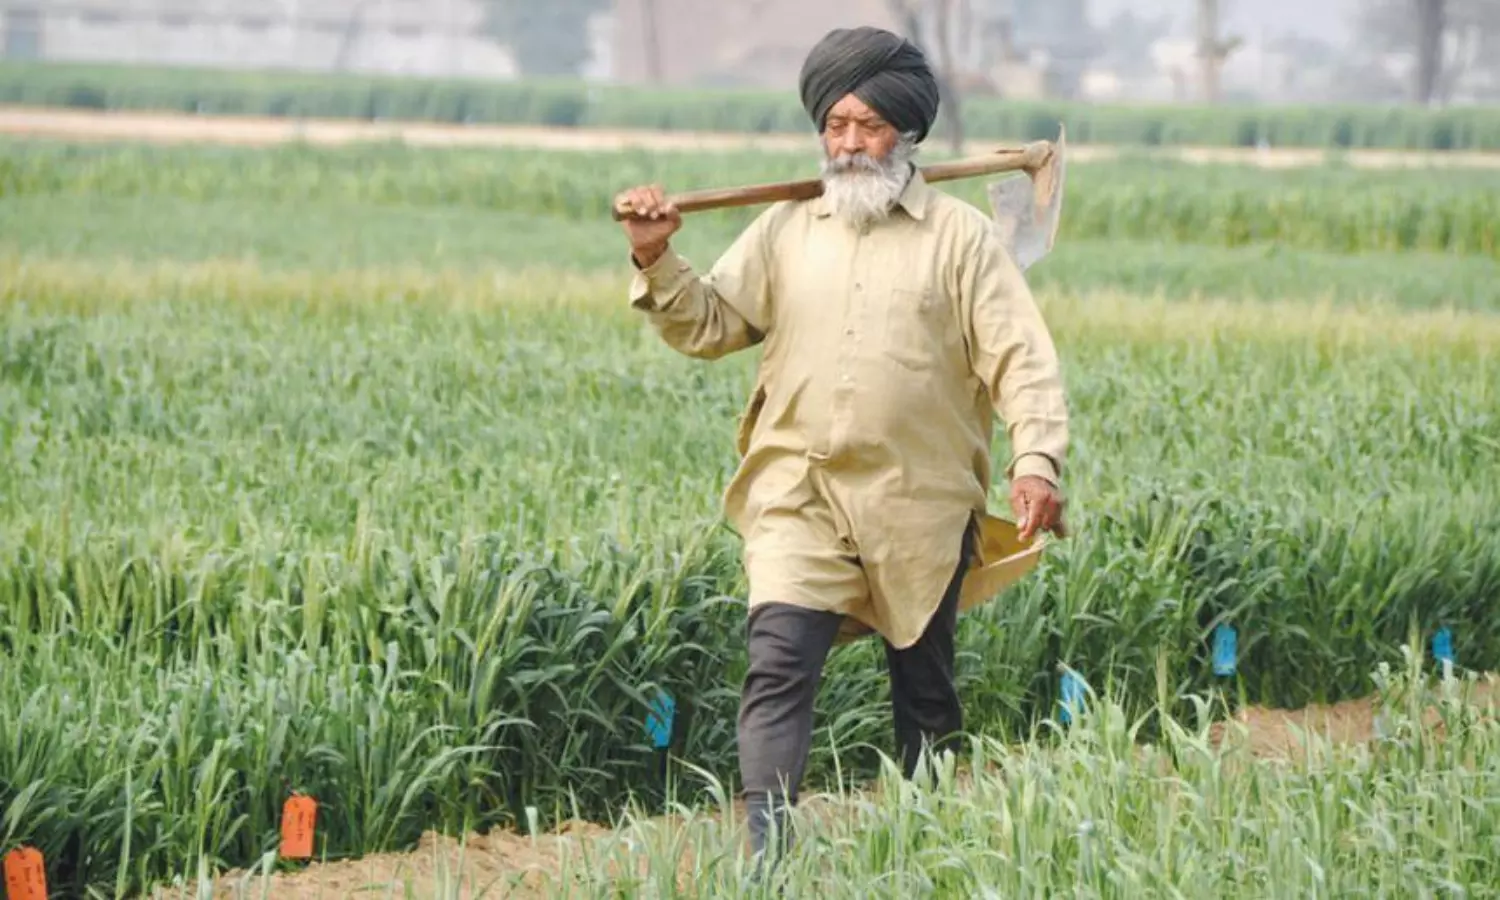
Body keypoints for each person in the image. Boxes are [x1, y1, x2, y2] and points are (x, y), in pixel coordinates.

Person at [615, 25, 1069, 869]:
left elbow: (1021, 360)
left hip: (920, 505)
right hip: (800, 493)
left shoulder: (961, 239)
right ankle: (767, 859)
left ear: (907, 129)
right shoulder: (789, 228)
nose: (850, 144)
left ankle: (924, 848)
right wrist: (656, 254)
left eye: (869, 126)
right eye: (836, 126)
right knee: (777, 664)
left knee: (925, 696)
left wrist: (1036, 460)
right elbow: (713, 323)